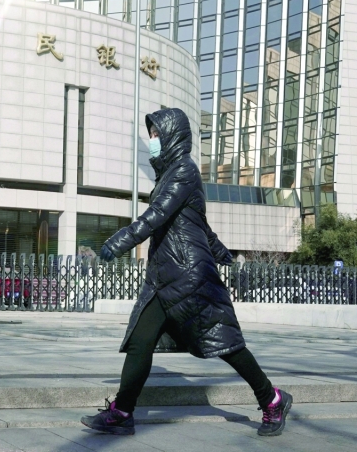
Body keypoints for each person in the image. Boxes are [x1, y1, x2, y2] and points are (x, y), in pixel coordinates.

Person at [81, 107, 291, 437]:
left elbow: (157, 215)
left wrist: (118, 241)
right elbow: (198, 223)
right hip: (165, 277)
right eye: (150, 135)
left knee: (226, 344)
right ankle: (122, 412)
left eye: (155, 135)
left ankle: (272, 399)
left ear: (171, 136)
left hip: (189, 277)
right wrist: (222, 252)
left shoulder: (183, 171)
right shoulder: (171, 174)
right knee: (140, 342)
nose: (152, 141)